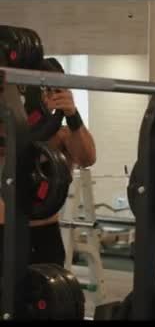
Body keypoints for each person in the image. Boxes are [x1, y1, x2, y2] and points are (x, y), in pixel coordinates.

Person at [0, 78, 96, 270]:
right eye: (41, 92)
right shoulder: (7, 130)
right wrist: (34, 116)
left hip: (43, 234)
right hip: (3, 231)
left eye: (51, 91)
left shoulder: (62, 134)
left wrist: (72, 114)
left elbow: (87, 158)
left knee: (48, 296)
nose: (47, 97)